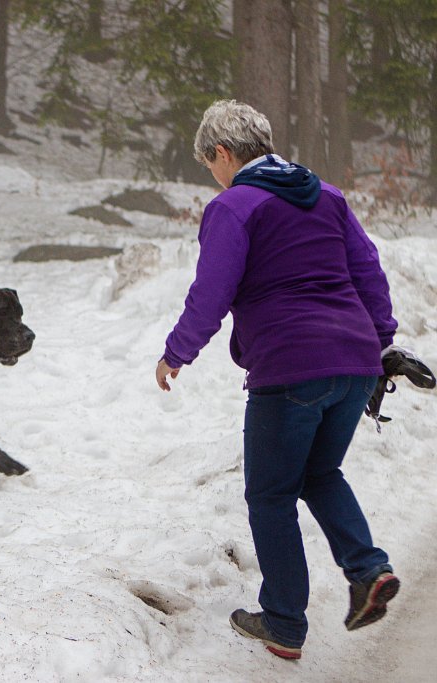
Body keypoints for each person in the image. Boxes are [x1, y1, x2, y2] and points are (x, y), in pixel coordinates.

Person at [155, 100, 399, 660]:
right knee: (319, 471)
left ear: (222, 152)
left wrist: (177, 353)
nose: (213, 176)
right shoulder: (329, 196)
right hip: (356, 363)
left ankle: (285, 621)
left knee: (269, 495)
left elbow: (211, 291)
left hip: (291, 366)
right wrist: (381, 342)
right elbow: (368, 269)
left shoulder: (235, 206)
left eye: (209, 164)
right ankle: (368, 570)